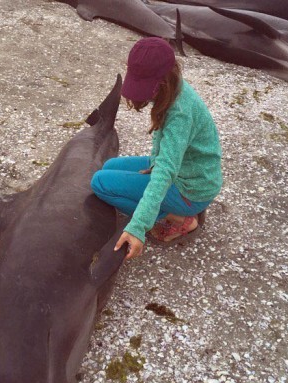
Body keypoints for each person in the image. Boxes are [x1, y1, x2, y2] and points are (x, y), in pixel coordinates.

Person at [91, 37, 222, 260]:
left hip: (191, 188)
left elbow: (166, 171)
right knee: (109, 166)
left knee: (100, 184)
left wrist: (137, 227)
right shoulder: (173, 88)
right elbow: (164, 146)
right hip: (188, 171)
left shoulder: (180, 112)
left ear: (162, 80)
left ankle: (179, 218)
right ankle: (175, 209)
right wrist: (153, 162)